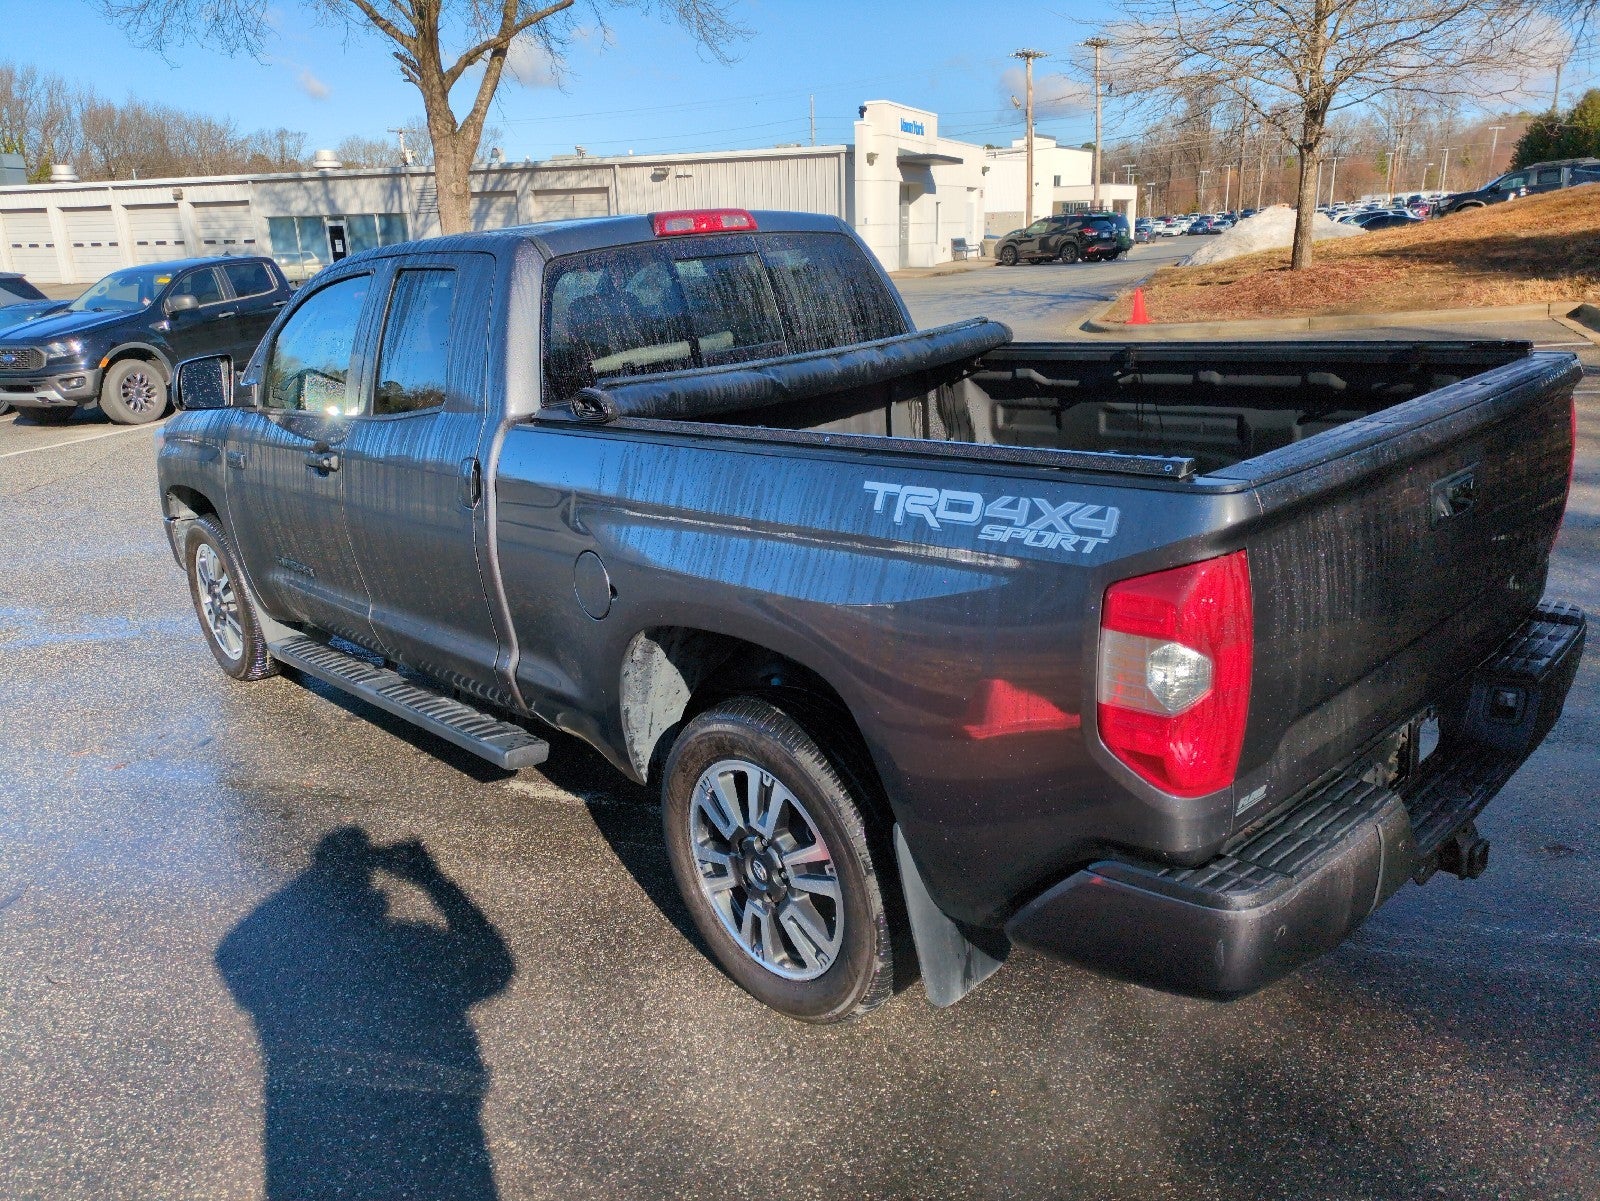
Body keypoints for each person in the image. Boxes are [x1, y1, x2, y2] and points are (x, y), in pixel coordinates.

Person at [217, 828, 514, 1201]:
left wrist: (324, 875)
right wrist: (432, 881)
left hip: (323, 1142)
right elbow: (494, 963)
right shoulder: (418, 953)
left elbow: (232, 952)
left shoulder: (303, 966)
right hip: (443, 1130)